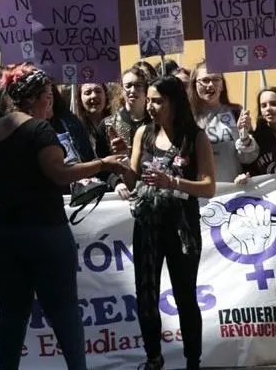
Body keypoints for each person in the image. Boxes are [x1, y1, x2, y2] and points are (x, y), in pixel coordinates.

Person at [0, 64, 119, 370]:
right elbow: (59, 173)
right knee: (64, 309)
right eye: (48, 98)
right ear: (34, 99)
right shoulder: (39, 129)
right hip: (41, 231)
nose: (50, 105)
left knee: (12, 311)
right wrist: (104, 163)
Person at [109, 76, 216, 370]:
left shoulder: (195, 137)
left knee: (185, 295)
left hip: (181, 227)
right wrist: (120, 163)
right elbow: (132, 179)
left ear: (174, 102)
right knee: (146, 293)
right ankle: (153, 357)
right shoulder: (142, 133)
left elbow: (208, 186)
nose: (152, 106)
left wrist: (173, 182)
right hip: (147, 222)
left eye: (158, 101)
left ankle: (192, 359)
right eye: (150, 100)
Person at [187, 61, 258, 182]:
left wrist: (245, 138)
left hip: (232, 190)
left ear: (222, 85)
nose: (210, 85)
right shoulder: (186, 117)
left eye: (216, 79)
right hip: (200, 193)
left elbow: (247, 158)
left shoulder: (236, 112)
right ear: (195, 84)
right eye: (205, 80)